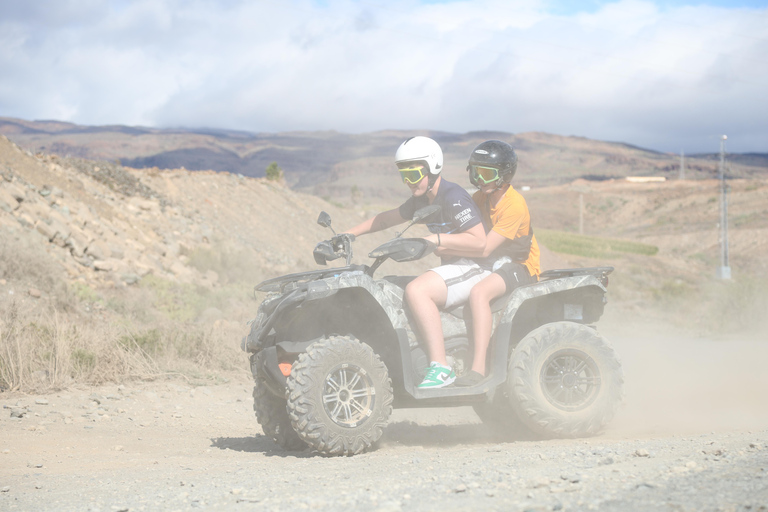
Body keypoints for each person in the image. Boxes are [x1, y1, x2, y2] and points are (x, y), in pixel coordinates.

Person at [343, 136, 487, 389]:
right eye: (403, 176)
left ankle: (442, 368)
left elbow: (480, 242)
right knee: (389, 287)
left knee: (418, 290)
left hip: (475, 268)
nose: (408, 182)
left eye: (413, 174)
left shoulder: (453, 197)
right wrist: (349, 234)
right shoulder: (423, 199)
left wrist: (434, 240)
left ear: (432, 168)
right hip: (454, 267)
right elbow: (387, 219)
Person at [432, 140, 540, 387]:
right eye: (475, 171)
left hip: (520, 264)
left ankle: (478, 368)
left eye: (486, 173)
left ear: (504, 175)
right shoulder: (481, 197)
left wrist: (440, 243)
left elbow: (485, 246)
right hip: (494, 261)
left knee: (478, 293)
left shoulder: (514, 205)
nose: (479, 178)